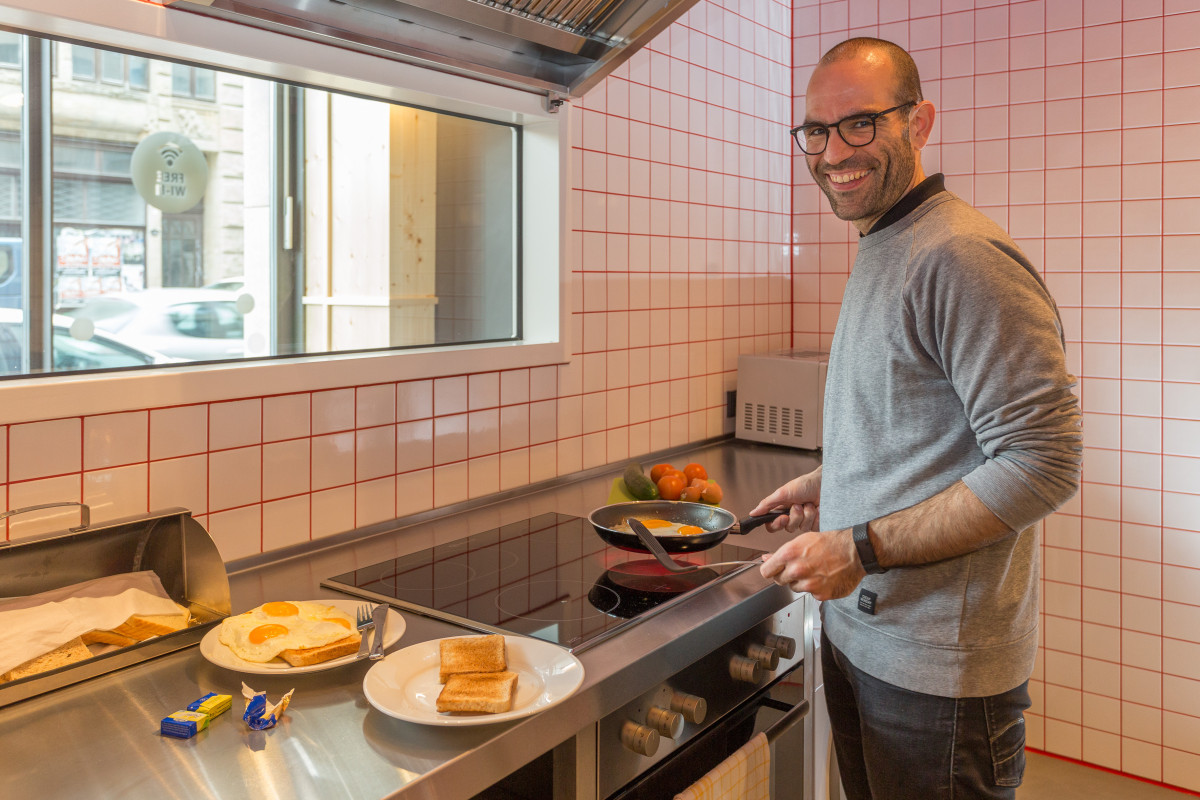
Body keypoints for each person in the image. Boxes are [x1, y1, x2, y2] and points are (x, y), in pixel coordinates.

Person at [752, 37, 1083, 800]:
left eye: (861, 124)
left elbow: (1043, 461)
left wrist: (859, 544)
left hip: (939, 674)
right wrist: (831, 484)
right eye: (817, 131)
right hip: (866, 639)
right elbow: (921, 428)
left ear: (919, 121)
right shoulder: (884, 243)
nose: (835, 152)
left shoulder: (960, 255)